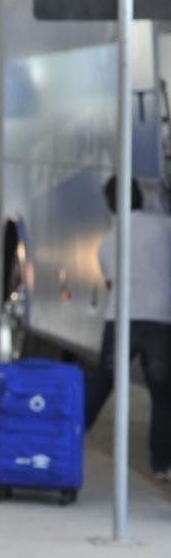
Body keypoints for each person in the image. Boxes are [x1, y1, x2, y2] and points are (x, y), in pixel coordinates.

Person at [85, 176, 171, 481]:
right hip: (159, 320)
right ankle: (162, 465)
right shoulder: (163, 227)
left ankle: (71, 435)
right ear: (139, 196)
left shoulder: (108, 242)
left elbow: (112, 285)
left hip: (121, 320)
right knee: (162, 396)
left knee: (103, 381)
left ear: (111, 204)